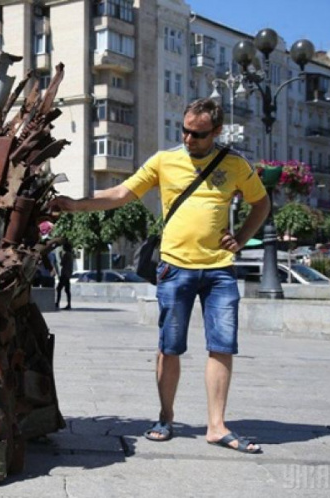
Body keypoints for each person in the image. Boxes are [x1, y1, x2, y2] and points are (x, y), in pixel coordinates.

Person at [48, 98, 270, 454]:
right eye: (183, 129)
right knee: (169, 347)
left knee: (222, 347)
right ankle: (166, 417)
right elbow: (121, 193)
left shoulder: (235, 164)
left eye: (197, 134)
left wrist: (241, 238)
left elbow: (261, 203)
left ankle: (216, 426)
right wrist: (74, 204)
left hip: (219, 271)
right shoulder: (164, 161)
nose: (187, 138)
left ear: (216, 131)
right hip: (175, 267)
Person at [56, 241, 74, 310]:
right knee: (67, 289)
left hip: (64, 274)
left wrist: (60, 256)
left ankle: (57, 303)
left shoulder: (66, 255)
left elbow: (61, 263)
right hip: (68, 274)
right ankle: (69, 304)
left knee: (59, 288)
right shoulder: (71, 255)